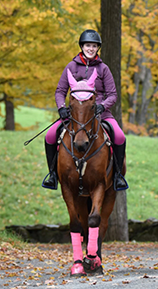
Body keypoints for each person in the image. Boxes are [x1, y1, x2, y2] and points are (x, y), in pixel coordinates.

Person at [42, 29, 129, 191]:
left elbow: (112, 94)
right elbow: (60, 91)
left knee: (119, 137)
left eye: (94, 46)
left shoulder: (104, 69)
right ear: (82, 46)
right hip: (74, 115)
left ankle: (118, 176)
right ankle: (52, 175)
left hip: (100, 114)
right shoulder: (71, 66)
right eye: (88, 45)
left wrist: (103, 106)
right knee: (50, 136)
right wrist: (61, 108)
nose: (91, 48)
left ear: (98, 48)